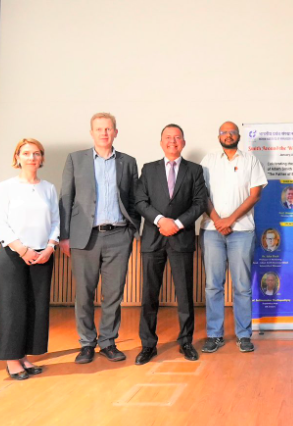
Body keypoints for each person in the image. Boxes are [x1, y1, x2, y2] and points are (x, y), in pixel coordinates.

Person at [59, 113, 139, 364]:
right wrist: (64, 236)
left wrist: (132, 230)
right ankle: (86, 343)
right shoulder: (75, 159)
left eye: (108, 129)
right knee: (84, 294)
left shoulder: (128, 162)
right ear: (92, 133)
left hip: (118, 236)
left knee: (113, 294)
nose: (104, 133)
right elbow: (66, 198)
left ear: (116, 132)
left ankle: (108, 342)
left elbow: (135, 199)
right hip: (85, 237)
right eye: (99, 129)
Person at [135, 124, 208, 363]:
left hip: (181, 237)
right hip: (153, 239)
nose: (172, 141)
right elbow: (140, 201)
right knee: (149, 295)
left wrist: (176, 223)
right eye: (168, 137)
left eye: (177, 138)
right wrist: (159, 220)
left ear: (183, 143)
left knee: (185, 294)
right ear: (161, 142)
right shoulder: (148, 169)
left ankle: (186, 341)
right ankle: (148, 344)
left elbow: (199, 203)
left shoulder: (195, 170)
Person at [0, 138, 59, 380]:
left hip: (43, 255)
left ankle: (24, 356)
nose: (32, 157)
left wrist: (51, 247)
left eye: (37, 153)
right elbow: (0, 222)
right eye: (26, 153)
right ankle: (12, 360)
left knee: (35, 307)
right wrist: (22, 250)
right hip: (13, 255)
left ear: (41, 159)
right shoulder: (6, 187)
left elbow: (55, 221)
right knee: (13, 308)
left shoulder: (49, 188)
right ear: (17, 157)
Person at [199, 121, 267, 354]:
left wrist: (230, 220)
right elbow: (201, 194)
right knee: (213, 286)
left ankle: (244, 335)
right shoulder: (208, 161)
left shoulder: (250, 160)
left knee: (242, 286)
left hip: (242, 231)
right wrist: (218, 220)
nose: (228, 135)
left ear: (238, 136)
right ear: (218, 136)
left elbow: (255, 194)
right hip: (211, 231)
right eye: (224, 132)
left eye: (232, 132)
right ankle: (214, 335)